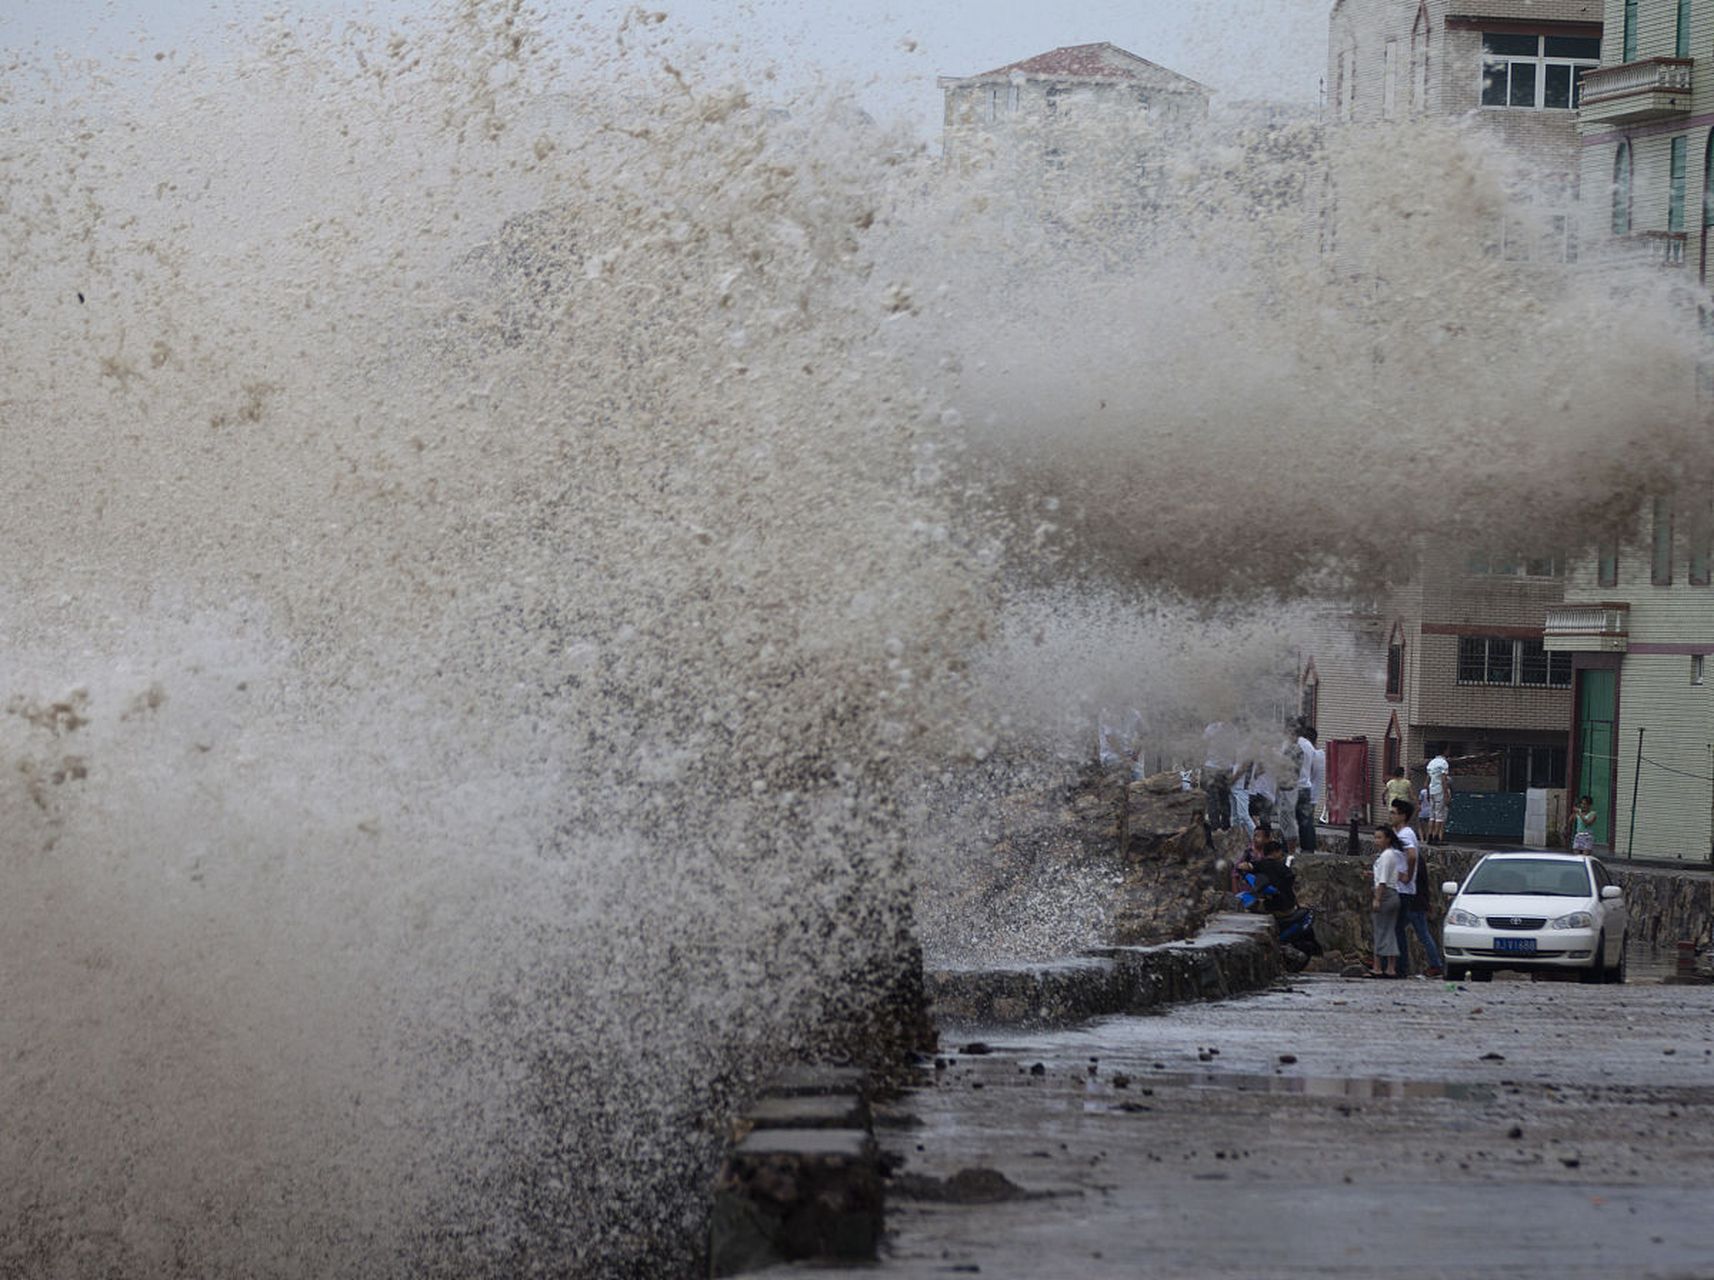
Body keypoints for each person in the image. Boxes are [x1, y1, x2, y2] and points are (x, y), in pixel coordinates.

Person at [1391, 798, 1443, 977]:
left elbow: (1412, 857)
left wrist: (1406, 877)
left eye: (1393, 812)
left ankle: (1427, 964)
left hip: (1409, 894)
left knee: (1417, 931)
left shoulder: (1405, 835)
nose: (1390, 815)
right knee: (1398, 928)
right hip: (1409, 893)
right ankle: (1396, 963)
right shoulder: (1402, 833)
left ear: (1403, 816)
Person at [1371, 826, 1406, 977]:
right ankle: (1390, 967)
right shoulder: (1391, 855)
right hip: (1393, 895)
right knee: (1389, 931)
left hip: (1386, 895)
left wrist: (1377, 899)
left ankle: (1378, 966)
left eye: (1380, 838)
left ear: (1388, 839)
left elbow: (1383, 882)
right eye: (1375, 837)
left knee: (1380, 930)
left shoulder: (1386, 856)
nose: (1376, 841)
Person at [1295, 725, 1320, 852]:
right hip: (1306, 787)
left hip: (1292, 788)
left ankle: (1287, 850)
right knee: (1306, 822)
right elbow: (1314, 769)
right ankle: (1309, 850)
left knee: (1287, 821)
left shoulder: (1291, 744)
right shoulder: (1309, 746)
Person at [1425, 752, 1451, 845]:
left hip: (1431, 790)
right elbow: (1443, 780)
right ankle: (1436, 837)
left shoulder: (1431, 763)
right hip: (1439, 790)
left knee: (1432, 815)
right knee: (1439, 815)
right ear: (1445, 751)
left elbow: (1427, 780)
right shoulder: (1443, 763)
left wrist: (1427, 792)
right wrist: (1446, 794)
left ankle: (1429, 836)